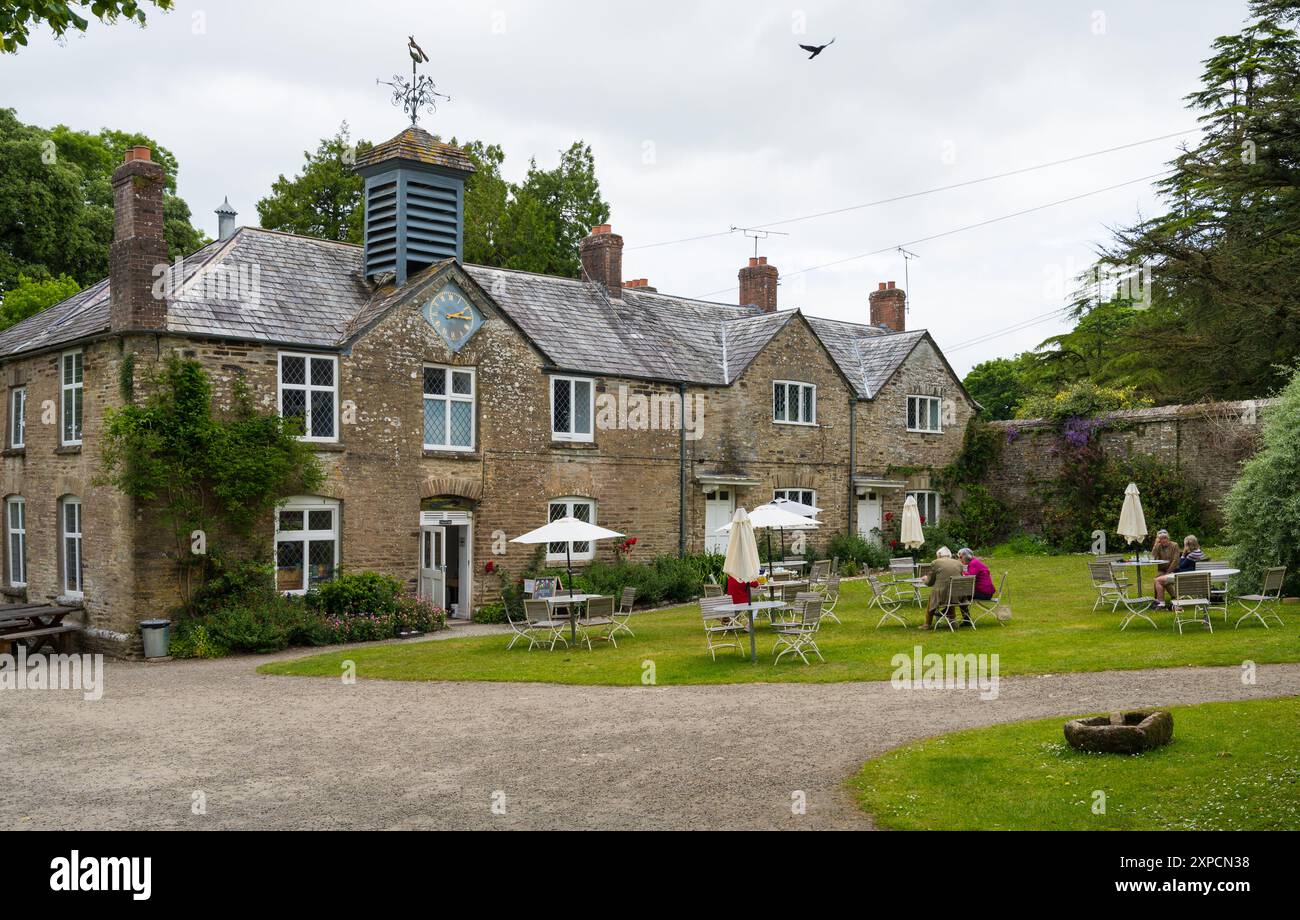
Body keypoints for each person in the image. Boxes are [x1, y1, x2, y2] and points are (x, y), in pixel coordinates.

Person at [1154, 536, 1208, 609]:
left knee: (1158, 580)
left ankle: (1161, 603)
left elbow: (1180, 566)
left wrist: (1183, 555)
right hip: (1195, 578)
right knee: (1163, 578)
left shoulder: (1191, 556)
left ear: (1187, 545)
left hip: (1185, 578)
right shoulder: (1199, 553)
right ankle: (1173, 596)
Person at [922, 547, 966, 629]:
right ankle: (952, 621)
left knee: (932, 597)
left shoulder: (935, 562)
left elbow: (930, 582)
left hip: (942, 595)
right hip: (959, 595)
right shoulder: (958, 563)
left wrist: (925, 579)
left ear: (939, 555)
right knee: (951, 592)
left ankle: (927, 623)